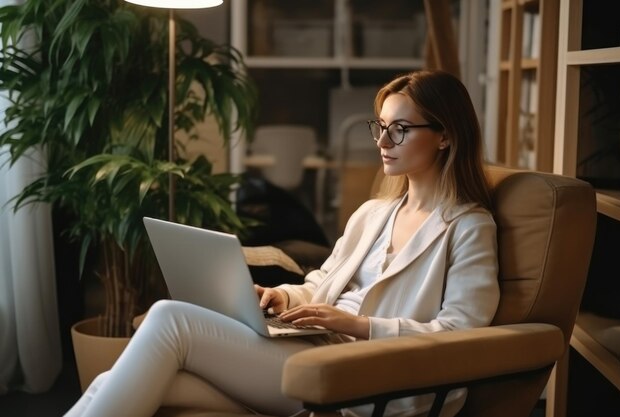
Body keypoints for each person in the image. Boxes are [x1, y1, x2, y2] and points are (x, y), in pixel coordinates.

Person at [64, 69, 500, 417]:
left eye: (400, 129)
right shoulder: (374, 214)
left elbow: (463, 333)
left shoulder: (468, 226)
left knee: (170, 319)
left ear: (445, 136)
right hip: (312, 346)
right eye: (381, 127)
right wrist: (283, 295)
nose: (383, 143)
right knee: (122, 382)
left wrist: (356, 326)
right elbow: (322, 282)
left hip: (364, 373)